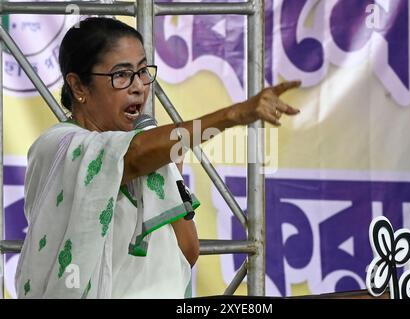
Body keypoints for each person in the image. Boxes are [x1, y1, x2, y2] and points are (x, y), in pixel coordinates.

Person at [15, 17, 301, 299]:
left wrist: (165, 166)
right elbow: (131, 157)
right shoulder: (60, 146)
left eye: (142, 72)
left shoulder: (150, 149)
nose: (139, 86)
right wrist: (234, 115)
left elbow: (188, 251)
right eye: (122, 75)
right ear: (78, 87)